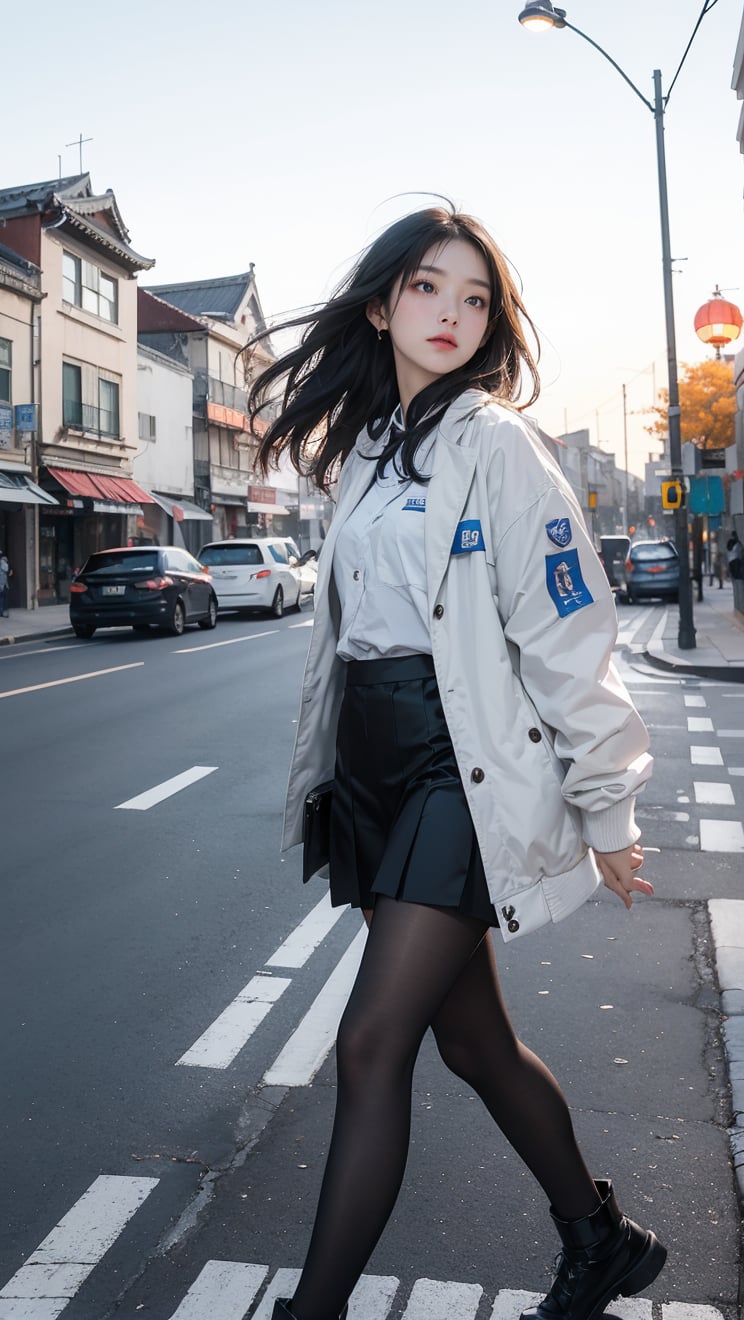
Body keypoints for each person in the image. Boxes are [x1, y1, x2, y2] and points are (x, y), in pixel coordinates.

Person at [247, 205, 666, 1320]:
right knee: (475, 1043)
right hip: (379, 766)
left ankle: (312, 1310)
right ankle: (601, 1238)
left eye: (474, 297)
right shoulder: (371, 454)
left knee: (371, 1043)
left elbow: (570, 631)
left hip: (456, 769)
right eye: (429, 289)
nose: (453, 314)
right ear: (382, 306)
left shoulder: (500, 445)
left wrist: (609, 807)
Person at [0, 548, 11, 617]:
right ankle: (1, 612)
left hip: (2, 584)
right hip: (1, 585)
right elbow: (4, 576)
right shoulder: (4, 564)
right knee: (2, 598)